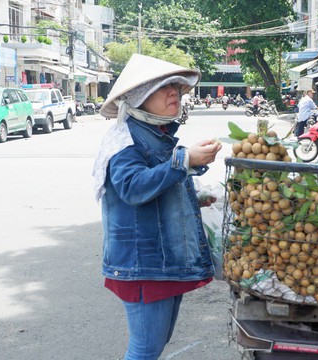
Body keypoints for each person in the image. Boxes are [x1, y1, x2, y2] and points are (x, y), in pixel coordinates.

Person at [93, 53, 222, 360]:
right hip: (143, 264)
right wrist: (185, 160)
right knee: (145, 349)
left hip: (161, 262)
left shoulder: (154, 133)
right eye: (164, 88)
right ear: (140, 97)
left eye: (176, 87)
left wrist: (192, 192)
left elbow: (157, 184)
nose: (174, 93)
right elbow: (132, 187)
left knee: (155, 345)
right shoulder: (126, 141)